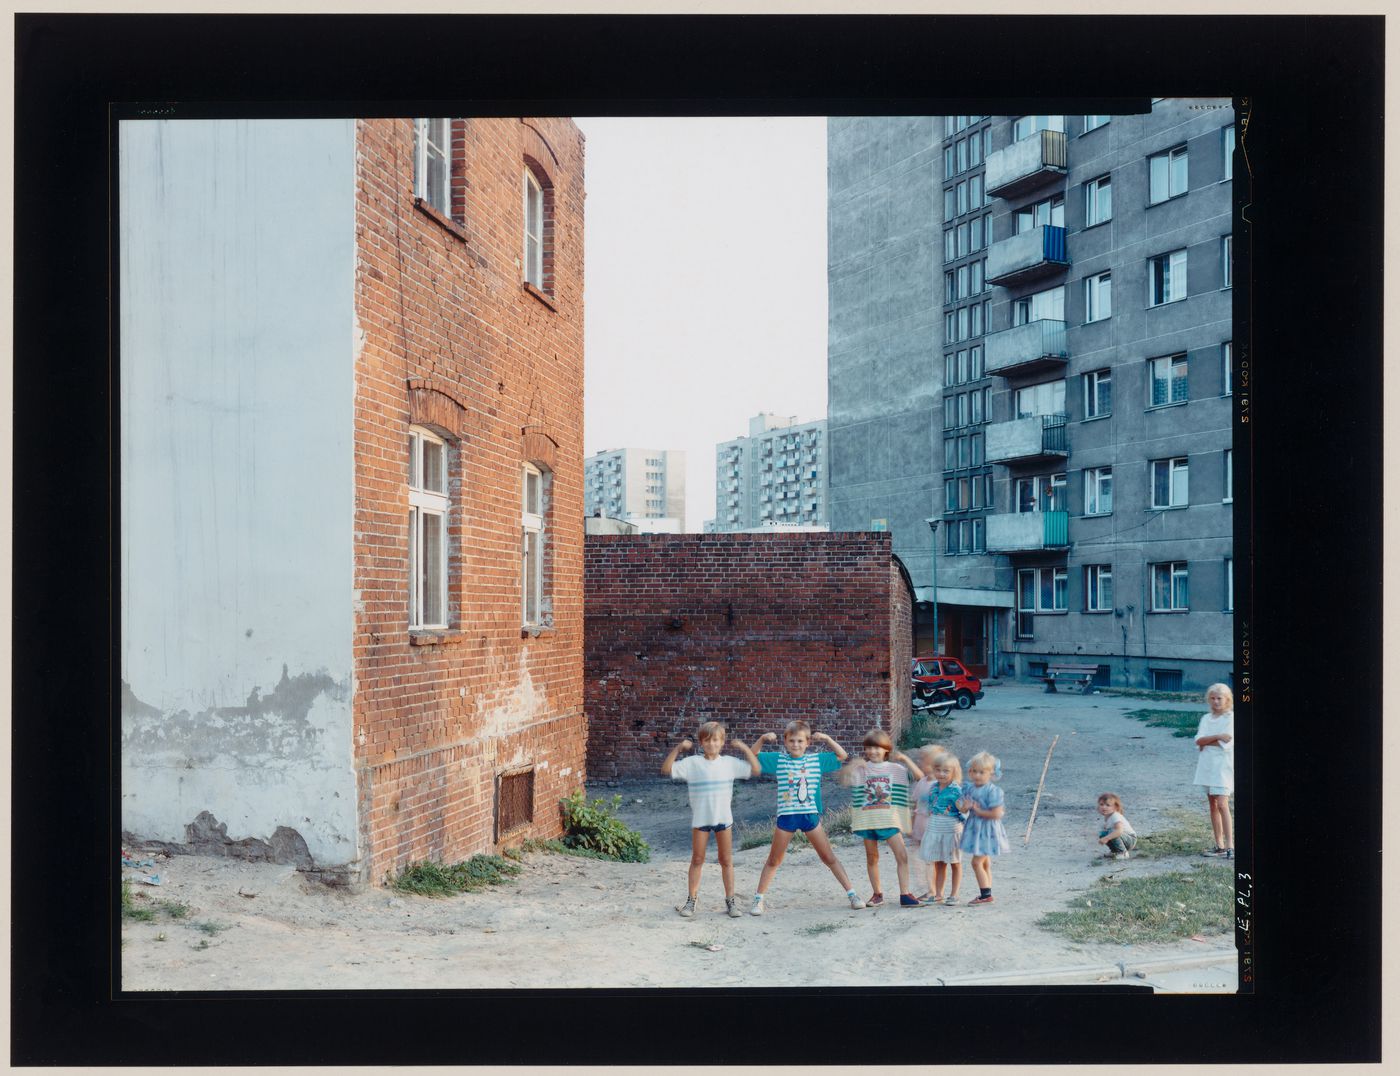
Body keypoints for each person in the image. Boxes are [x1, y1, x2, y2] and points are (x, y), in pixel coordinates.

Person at [749, 721, 865, 915]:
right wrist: (762, 739)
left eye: (800, 741)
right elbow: (752, 755)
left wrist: (827, 739)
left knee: (828, 856)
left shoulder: (815, 760)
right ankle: (758, 899)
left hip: (809, 815)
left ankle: (852, 894)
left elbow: (842, 756)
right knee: (774, 860)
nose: (796, 744)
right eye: (792, 741)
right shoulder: (779, 760)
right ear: (785, 741)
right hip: (787, 816)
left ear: (808, 742)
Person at [661, 721, 761, 918]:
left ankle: (730, 901)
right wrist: (679, 748)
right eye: (707, 741)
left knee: (726, 860)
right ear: (701, 742)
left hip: (724, 819)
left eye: (715, 740)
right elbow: (667, 769)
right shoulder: (692, 763)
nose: (711, 744)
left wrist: (744, 748)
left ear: (722, 742)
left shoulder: (729, 763)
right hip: (701, 820)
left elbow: (755, 769)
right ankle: (691, 900)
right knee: (697, 860)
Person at [844, 729, 926, 909]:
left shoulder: (895, 769)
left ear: (886, 749)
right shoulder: (861, 769)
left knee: (902, 855)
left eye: (877, 747)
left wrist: (905, 759)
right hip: (868, 819)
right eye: (869, 748)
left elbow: (920, 778)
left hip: (889, 819)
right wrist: (852, 766)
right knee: (872, 857)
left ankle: (905, 894)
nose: (873, 751)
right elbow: (844, 780)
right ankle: (877, 894)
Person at [958, 750, 1009, 905]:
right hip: (976, 829)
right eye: (974, 771)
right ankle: (987, 889)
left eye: (981, 772)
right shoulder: (970, 788)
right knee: (985, 861)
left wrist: (977, 810)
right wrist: (965, 807)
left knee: (976, 862)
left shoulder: (993, 791)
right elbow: (963, 807)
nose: (977, 775)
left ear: (991, 773)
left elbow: (997, 814)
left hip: (988, 830)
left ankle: (985, 894)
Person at [1194, 683, 1235, 860]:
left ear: (1227, 700)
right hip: (1207, 765)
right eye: (1213, 698)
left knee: (1222, 804)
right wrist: (1217, 736)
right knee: (1212, 804)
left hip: (1222, 767)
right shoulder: (1206, 718)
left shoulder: (1231, 718)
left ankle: (1230, 846)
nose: (1216, 701)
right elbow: (1198, 740)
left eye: (1220, 698)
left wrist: (1207, 742)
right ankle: (1219, 844)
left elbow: (1226, 744)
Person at [919, 751, 966, 905]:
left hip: (951, 829)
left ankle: (954, 894)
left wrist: (965, 805)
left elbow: (963, 809)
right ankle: (938, 893)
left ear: (954, 772)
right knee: (939, 862)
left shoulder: (956, 790)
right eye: (938, 770)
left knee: (955, 862)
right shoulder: (933, 788)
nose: (941, 774)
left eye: (946, 771)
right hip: (935, 827)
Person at [908, 744, 946, 901]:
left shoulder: (941, 786)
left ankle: (935, 892)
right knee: (929, 860)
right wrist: (911, 825)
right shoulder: (922, 782)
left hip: (936, 827)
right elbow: (915, 805)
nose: (919, 762)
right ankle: (933, 891)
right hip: (921, 826)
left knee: (937, 862)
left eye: (922, 760)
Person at [1095, 792, 1137, 860]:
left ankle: (1123, 853)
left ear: (1115, 807)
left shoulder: (1115, 816)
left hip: (1130, 839)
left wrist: (1106, 838)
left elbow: (1119, 831)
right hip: (1123, 839)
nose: (1104, 807)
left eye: (1108, 805)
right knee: (1103, 833)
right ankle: (1115, 851)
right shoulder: (1108, 817)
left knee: (1112, 832)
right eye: (1101, 804)